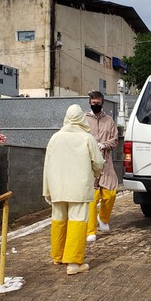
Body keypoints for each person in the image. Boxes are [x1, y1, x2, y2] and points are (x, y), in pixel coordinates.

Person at [43, 104, 105, 275]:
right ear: (81, 119)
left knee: (58, 220)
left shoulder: (55, 138)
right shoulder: (87, 138)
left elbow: (47, 166)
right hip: (78, 188)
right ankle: (73, 263)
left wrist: (47, 190)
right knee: (77, 221)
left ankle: (58, 256)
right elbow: (98, 163)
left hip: (57, 188)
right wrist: (96, 172)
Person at [85, 91, 119, 243]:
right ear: (89, 102)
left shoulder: (109, 121)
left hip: (106, 162)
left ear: (103, 103)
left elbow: (115, 139)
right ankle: (90, 230)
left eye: (98, 103)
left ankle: (103, 218)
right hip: (89, 163)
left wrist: (104, 145)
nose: (96, 105)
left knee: (110, 193)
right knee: (92, 198)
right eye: (94, 103)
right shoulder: (84, 119)